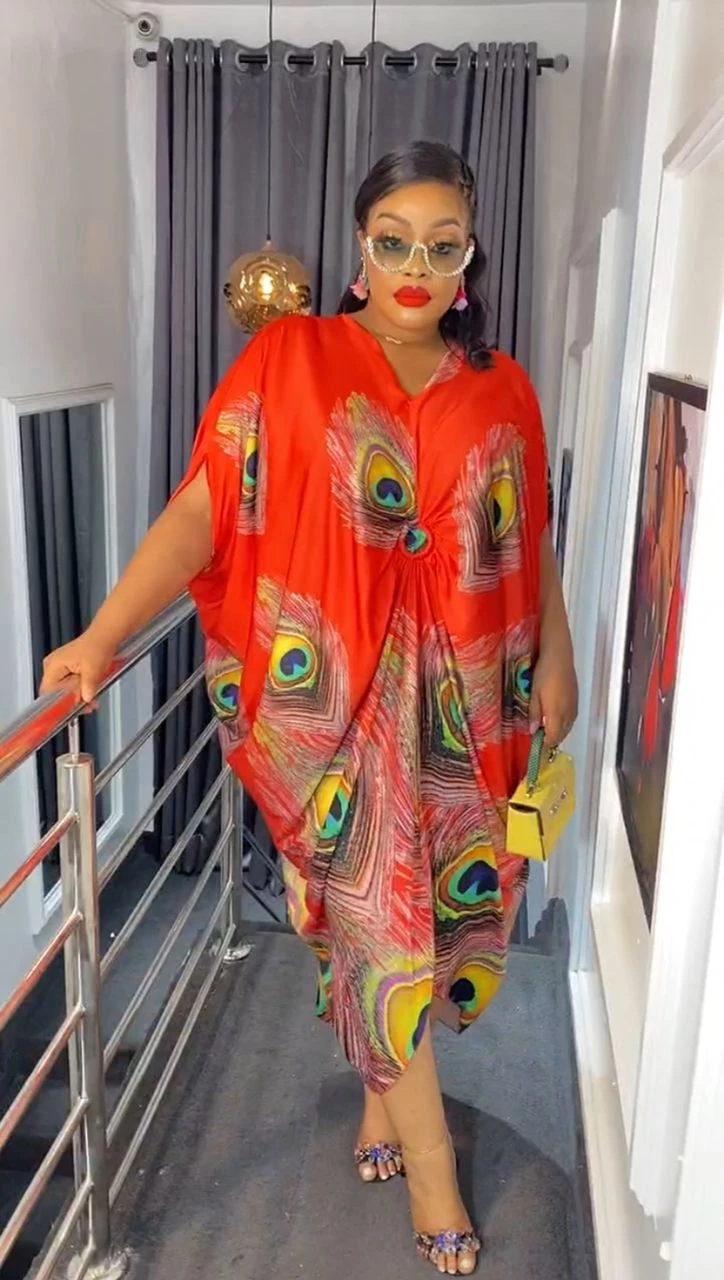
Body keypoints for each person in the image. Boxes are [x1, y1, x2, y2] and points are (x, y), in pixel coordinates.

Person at [42, 140, 578, 1275]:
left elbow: (530, 538)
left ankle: (384, 1093)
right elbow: (204, 509)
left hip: (470, 697)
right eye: (394, 242)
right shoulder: (292, 357)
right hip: (334, 697)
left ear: (470, 256)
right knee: (383, 922)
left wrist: (559, 659)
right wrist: (104, 632)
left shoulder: (503, 387)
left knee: (432, 920)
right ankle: (431, 1165)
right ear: (360, 247)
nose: (416, 267)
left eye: (442, 246)